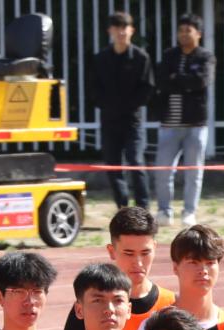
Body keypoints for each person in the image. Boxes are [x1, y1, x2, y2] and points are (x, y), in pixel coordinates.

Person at [60, 206, 172, 330]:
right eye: (129, 253)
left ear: (155, 248)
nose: (138, 263)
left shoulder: (171, 305)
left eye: (145, 253)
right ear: (112, 251)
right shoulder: (90, 306)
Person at [152, 15, 215, 225]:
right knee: (163, 171)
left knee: (193, 172)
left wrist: (176, 78)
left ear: (199, 34)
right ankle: (164, 211)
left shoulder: (205, 57)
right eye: (181, 30)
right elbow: (161, 81)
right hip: (169, 123)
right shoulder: (169, 56)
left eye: (188, 30)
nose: (184, 35)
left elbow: (201, 81)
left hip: (196, 124)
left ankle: (189, 212)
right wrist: (183, 81)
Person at [92, 12, 156, 210]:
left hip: (132, 120)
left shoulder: (141, 58)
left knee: (136, 161)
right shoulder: (101, 58)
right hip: (109, 119)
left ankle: (143, 208)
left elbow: (147, 88)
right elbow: (94, 88)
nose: (121, 32)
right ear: (110, 31)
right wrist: (106, 105)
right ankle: (122, 206)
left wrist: (129, 105)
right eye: (117, 28)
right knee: (112, 165)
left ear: (131, 31)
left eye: (124, 28)